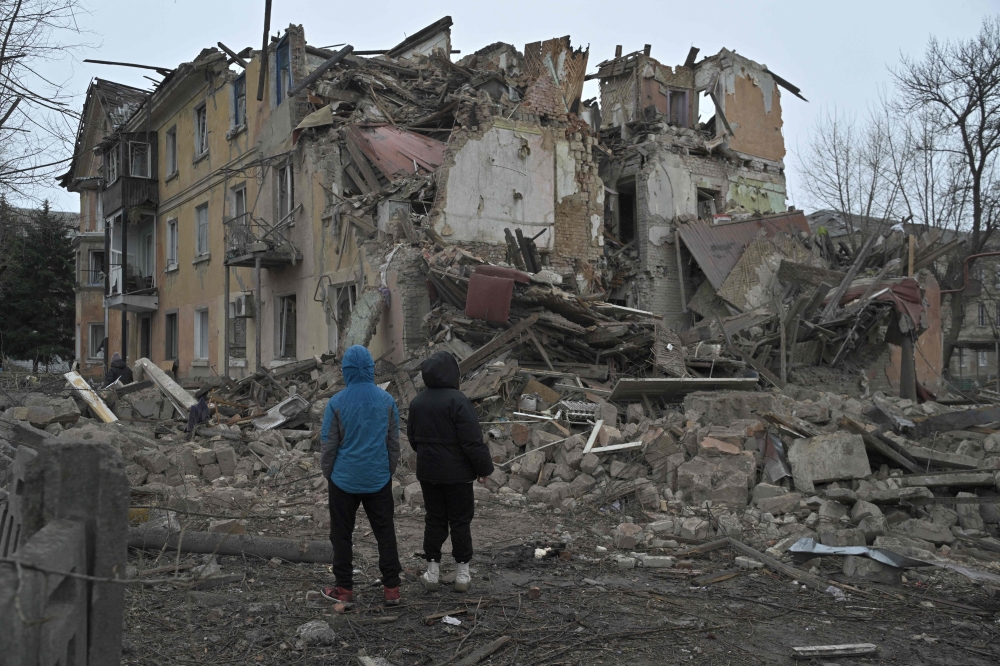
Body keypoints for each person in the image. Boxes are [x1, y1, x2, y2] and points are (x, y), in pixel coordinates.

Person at [320, 345, 403, 606]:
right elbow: (393, 444)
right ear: (371, 369)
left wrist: (329, 474)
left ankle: (344, 589)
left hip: (343, 480)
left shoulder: (336, 403)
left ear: (345, 371)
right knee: (385, 532)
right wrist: (387, 471)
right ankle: (392, 589)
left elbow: (328, 445)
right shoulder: (387, 401)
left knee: (341, 535)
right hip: (378, 478)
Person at [407, 351, 494, 592]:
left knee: (434, 519)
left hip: (428, 473)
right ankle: (463, 575)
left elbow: (413, 439)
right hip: (457, 475)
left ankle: (432, 572)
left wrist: (428, 455)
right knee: (460, 521)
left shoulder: (417, 402)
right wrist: (483, 468)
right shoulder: (459, 401)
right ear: (452, 373)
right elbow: (472, 441)